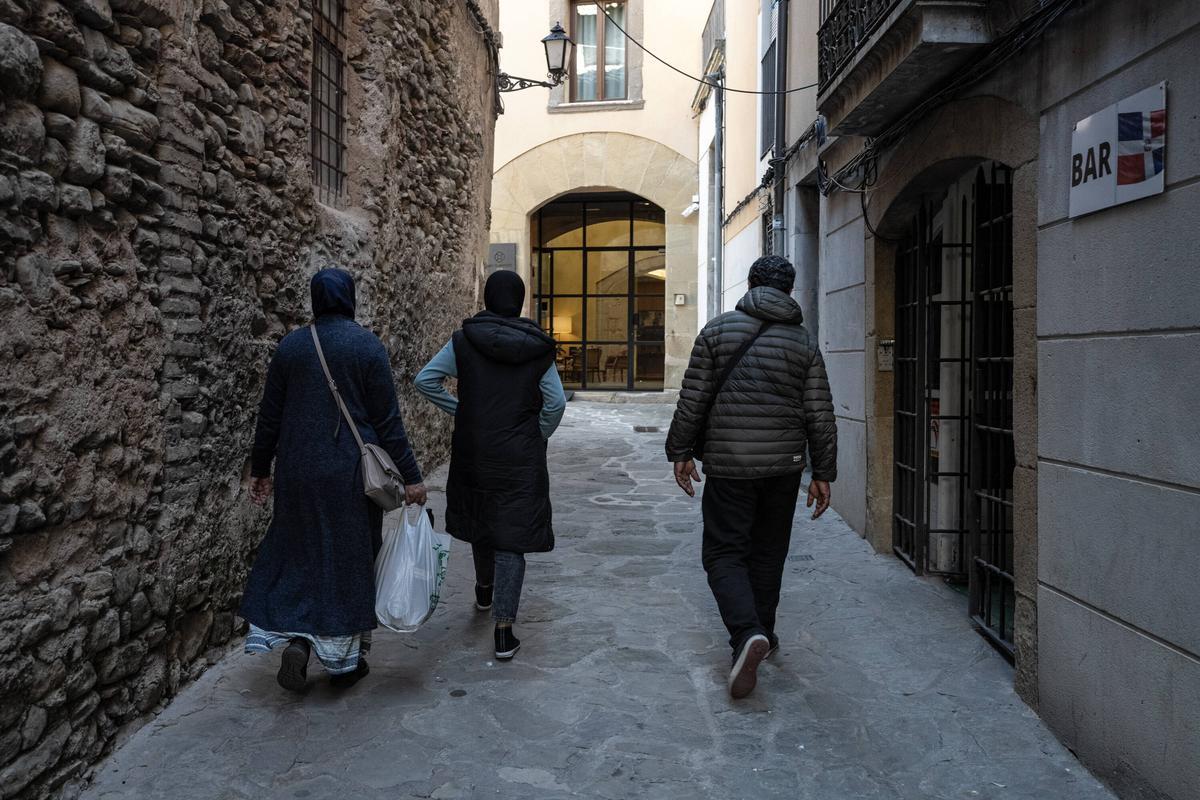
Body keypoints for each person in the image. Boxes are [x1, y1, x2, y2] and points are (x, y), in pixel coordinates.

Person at [243, 268, 427, 692]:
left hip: (298, 471)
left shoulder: (291, 347)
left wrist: (260, 469)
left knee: (301, 554)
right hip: (350, 475)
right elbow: (387, 423)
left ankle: (298, 643)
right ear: (350, 299)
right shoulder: (367, 347)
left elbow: (269, 415)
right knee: (347, 560)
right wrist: (412, 478)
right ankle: (343, 663)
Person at [665, 255, 837, 700]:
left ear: (751, 284)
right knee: (768, 552)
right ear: (790, 291)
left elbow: (693, 399)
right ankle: (764, 630)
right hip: (783, 468)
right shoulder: (803, 342)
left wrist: (680, 451)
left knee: (724, 553)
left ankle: (746, 634)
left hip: (728, 465)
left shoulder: (718, 331)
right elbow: (819, 413)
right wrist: (824, 472)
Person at [415, 270, 566, 661]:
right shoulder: (537, 347)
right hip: (520, 453)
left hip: (475, 447)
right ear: (518, 300)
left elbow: (426, 380)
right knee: (511, 533)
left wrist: (463, 412)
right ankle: (503, 631)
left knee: (483, 516)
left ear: (486, 296)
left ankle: (484, 589)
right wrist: (537, 432)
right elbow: (556, 403)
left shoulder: (464, 340)